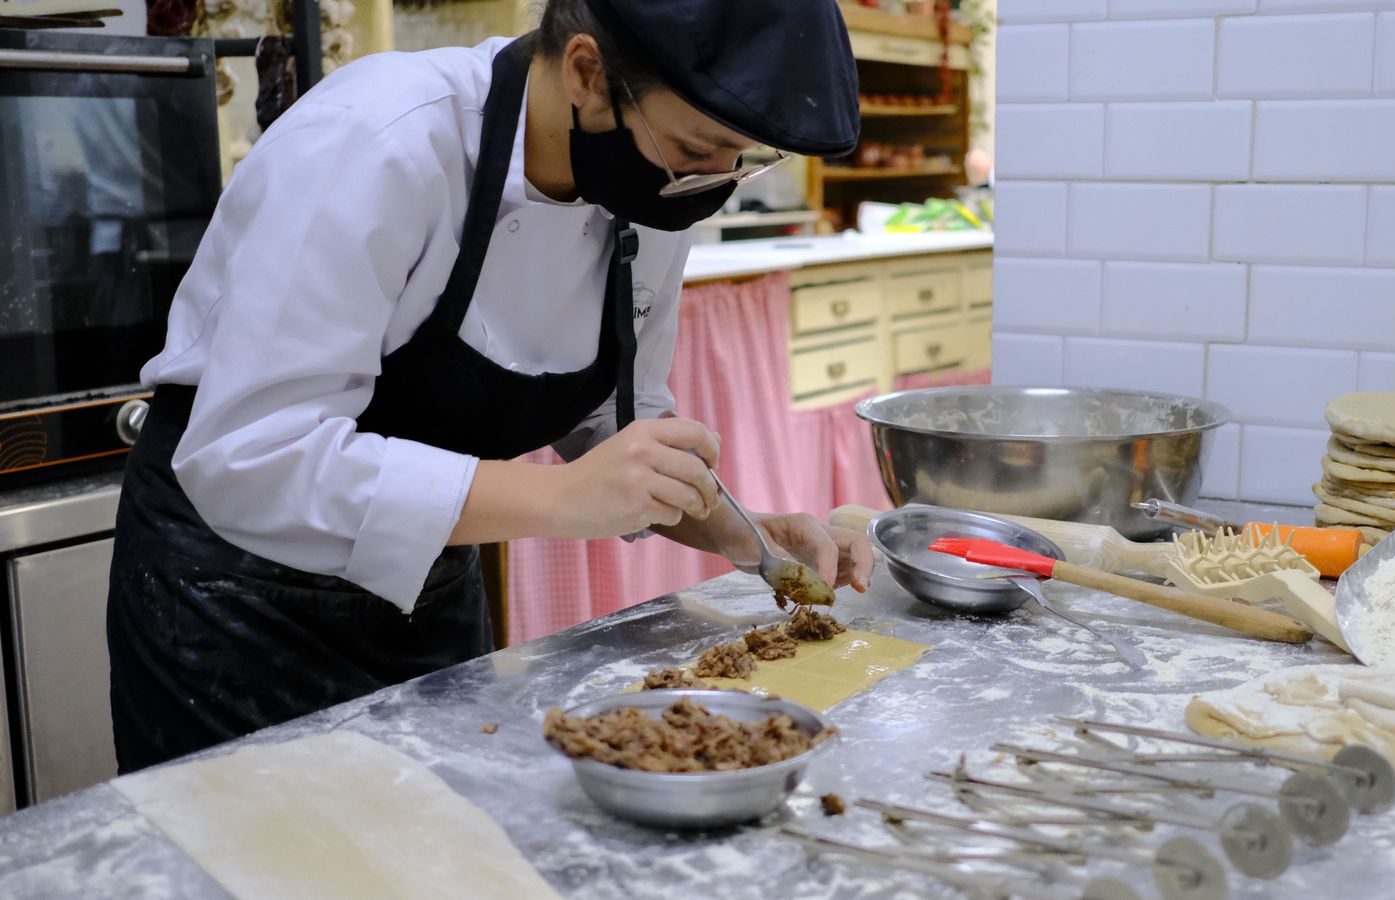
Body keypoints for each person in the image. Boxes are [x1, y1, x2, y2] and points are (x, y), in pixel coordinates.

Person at [106, 0, 869, 772]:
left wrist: (742, 533)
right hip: (234, 598)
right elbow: (253, 458)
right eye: (696, 149)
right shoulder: (381, 140)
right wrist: (564, 500)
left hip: (430, 585)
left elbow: (613, 415)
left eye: (739, 159)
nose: (711, 183)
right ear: (585, 72)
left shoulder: (651, 189)